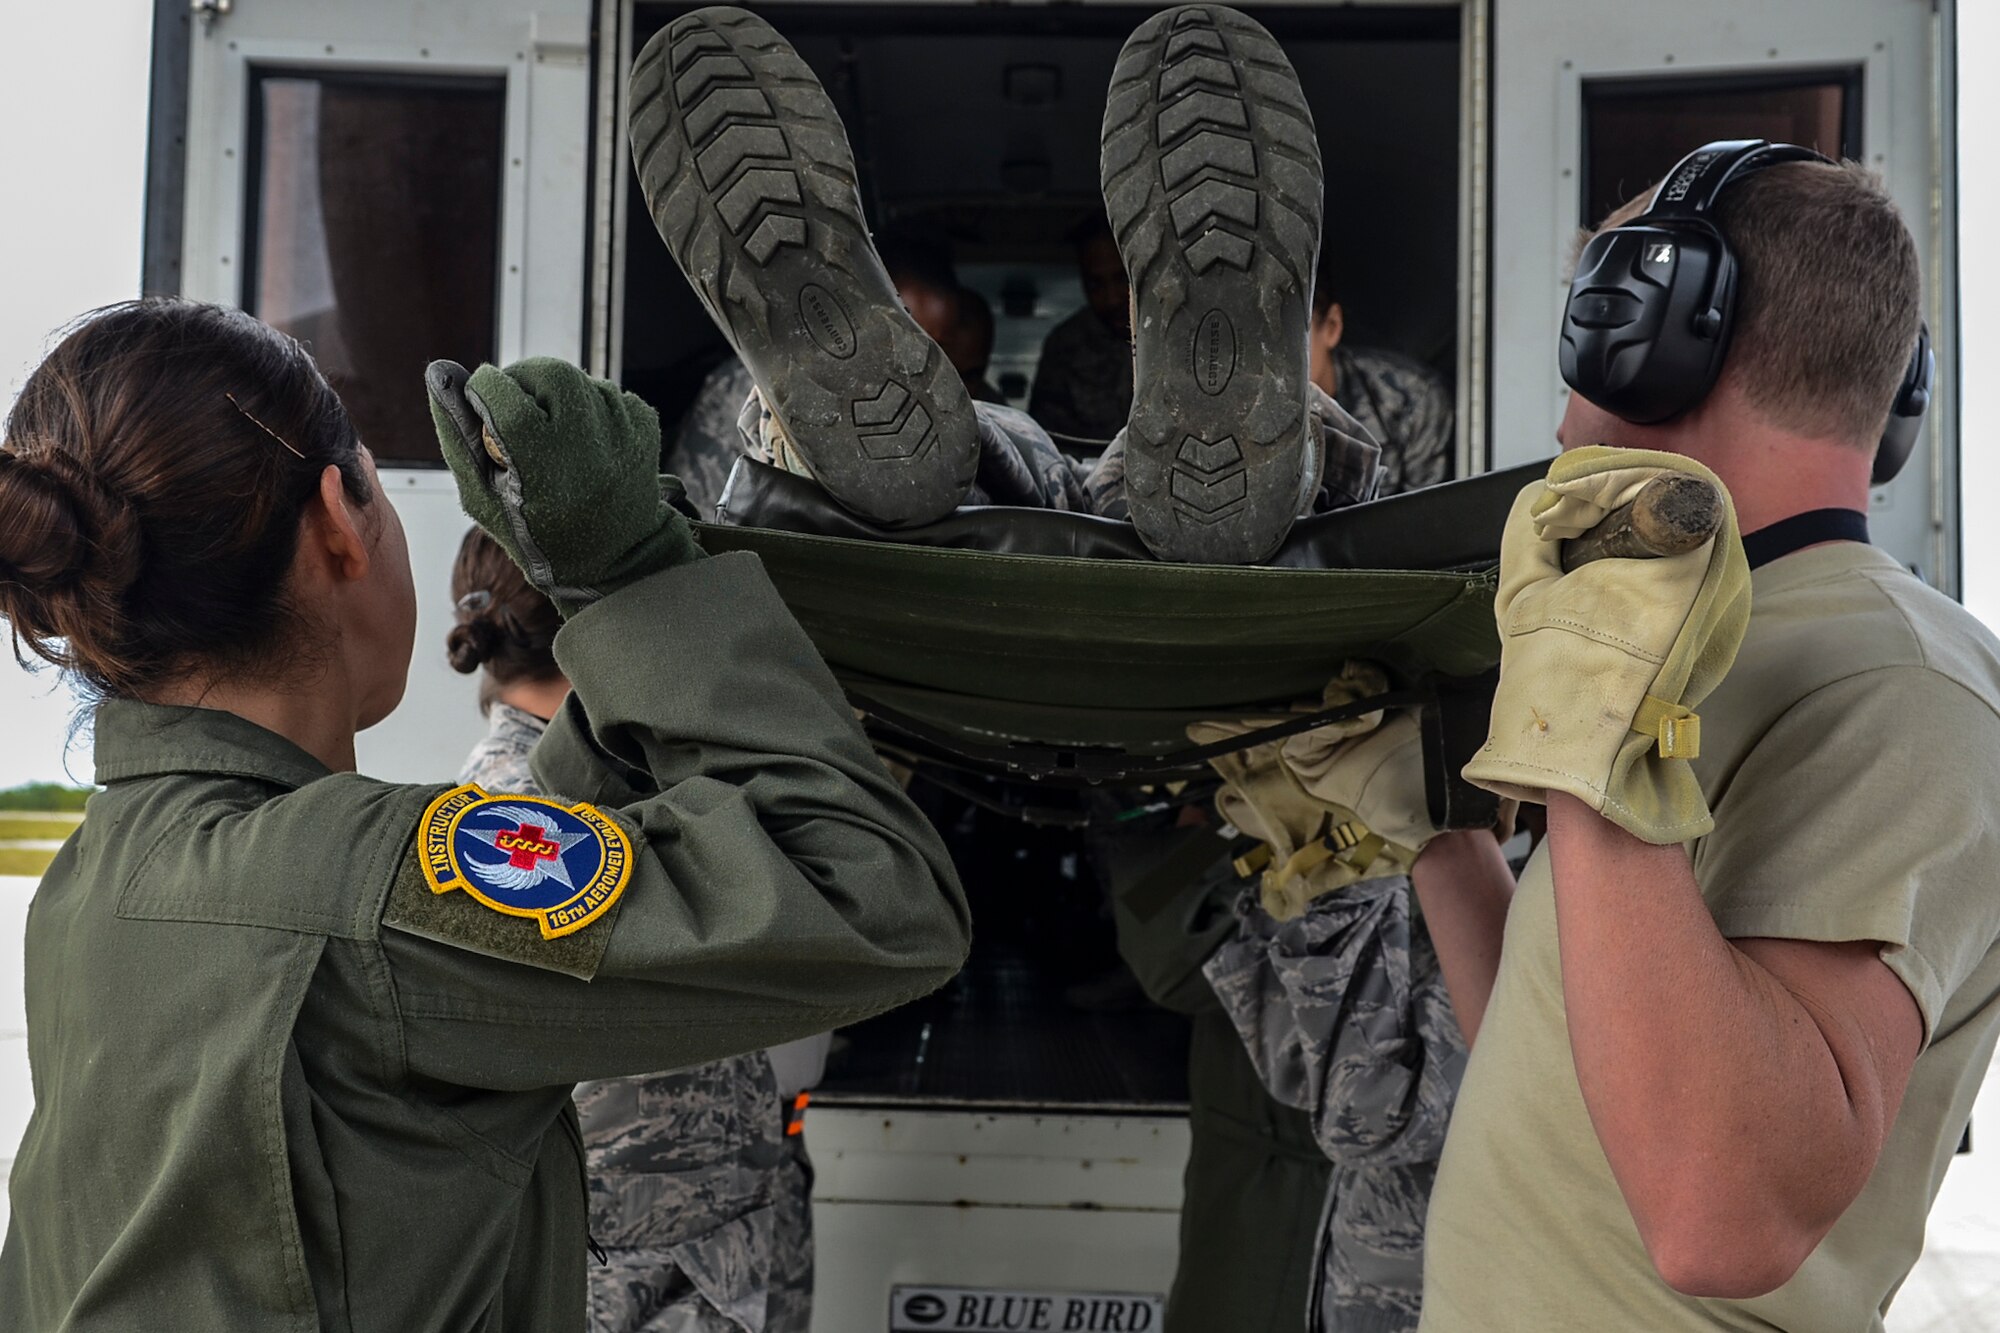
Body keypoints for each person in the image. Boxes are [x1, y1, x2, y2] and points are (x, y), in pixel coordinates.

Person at [0, 298, 970, 1330]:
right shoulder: (358, 892)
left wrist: (620, 656)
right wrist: (638, 573)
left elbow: (471, 899)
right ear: (338, 521)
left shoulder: (101, 880)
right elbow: (871, 894)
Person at [1396, 151, 2000, 1329]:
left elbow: (1719, 1215)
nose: (1561, 410)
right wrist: (1426, 837)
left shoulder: (1900, 688)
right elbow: (1579, 1066)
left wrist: (1584, 747)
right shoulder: (1683, 643)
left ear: (1652, 335)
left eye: (1586, 333)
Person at [629, 4, 1373, 566]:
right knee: (1093, 495)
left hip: (914, 559)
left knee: (985, 469)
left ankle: (802, 455)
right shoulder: (1065, 363)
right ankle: (1298, 455)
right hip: (1166, 548)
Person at [447, 527, 815, 1333]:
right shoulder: (576, 818)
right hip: (683, 1259)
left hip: (627, 1248)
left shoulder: (481, 808)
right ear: (605, 622)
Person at [1306, 252, 1454, 495]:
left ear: (1331, 326)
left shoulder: (1411, 402)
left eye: (1292, 339)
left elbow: (1430, 521)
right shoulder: (1242, 408)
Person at [1027, 214, 1135, 447]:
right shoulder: (1065, 347)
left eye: (1122, 279)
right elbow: (1046, 442)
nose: (1112, 298)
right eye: (1096, 284)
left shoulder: (1174, 333)